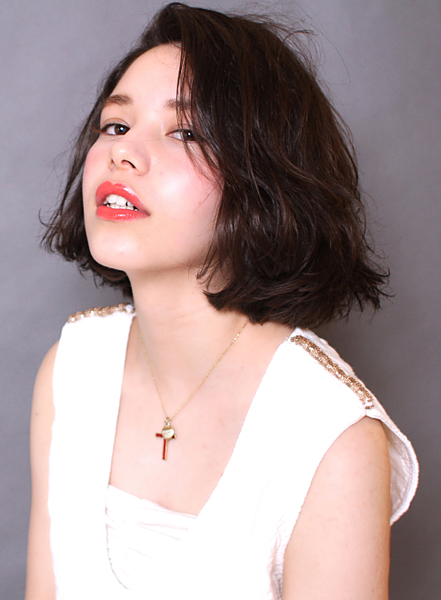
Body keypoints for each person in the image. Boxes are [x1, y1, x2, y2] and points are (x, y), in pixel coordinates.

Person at [25, 3, 418, 599]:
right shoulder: (73, 368)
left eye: (185, 132)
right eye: (116, 125)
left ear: (263, 181)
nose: (122, 154)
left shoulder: (330, 436)